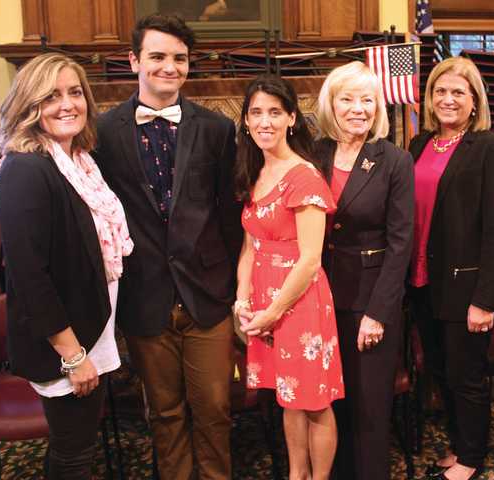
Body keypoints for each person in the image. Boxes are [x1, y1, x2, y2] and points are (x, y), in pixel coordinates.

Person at [86, 15, 240, 479]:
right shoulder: (102, 131)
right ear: (134, 60)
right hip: (144, 293)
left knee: (215, 408)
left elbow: (228, 214)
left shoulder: (217, 128)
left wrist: (233, 285)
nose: (169, 67)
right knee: (164, 413)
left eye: (179, 58)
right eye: (157, 56)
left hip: (207, 294)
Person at [0, 53, 133, 478]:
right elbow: (30, 276)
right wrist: (73, 356)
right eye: (51, 96)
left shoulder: (79, 162)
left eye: (75, 92)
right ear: (29, 105)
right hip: (65, 342)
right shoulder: (27, 168)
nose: (67, 104)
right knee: (74, 454)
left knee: (77, 444)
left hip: (92, 328)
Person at [407, 56, 494, 480]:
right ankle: (458, 444)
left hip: (467, 287)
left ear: (474, 101)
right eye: (440, 91)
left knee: (465, 376)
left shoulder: (491, 148)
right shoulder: (418, 145)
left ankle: (472, 456)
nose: (447, 99)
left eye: (458, 92)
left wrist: (485, 298)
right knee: (440, 371)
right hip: (422, 281)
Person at [233, 75, 344, 480]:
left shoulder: (304, 176)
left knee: (314, 400)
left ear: (291, 118)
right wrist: (242, 300)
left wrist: (273, 312)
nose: (265, 121)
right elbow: (250, 247)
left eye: (275, 113)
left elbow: (311, 259)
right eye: (256, 113)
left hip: (299, 303)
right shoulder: (253, 171)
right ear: (245, 121)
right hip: (263, 302)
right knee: (289, 398)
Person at [314, 61, 414, 480]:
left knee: (370, 408)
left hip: (370, 300)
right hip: (318, 297)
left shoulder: (394, 160)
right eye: (348, 99)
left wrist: (378, 312)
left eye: (367, 100)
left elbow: (401, 242)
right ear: (330, 105)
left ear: (379, 108)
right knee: (328, 403)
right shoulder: (313, 153)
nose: (358, 108)